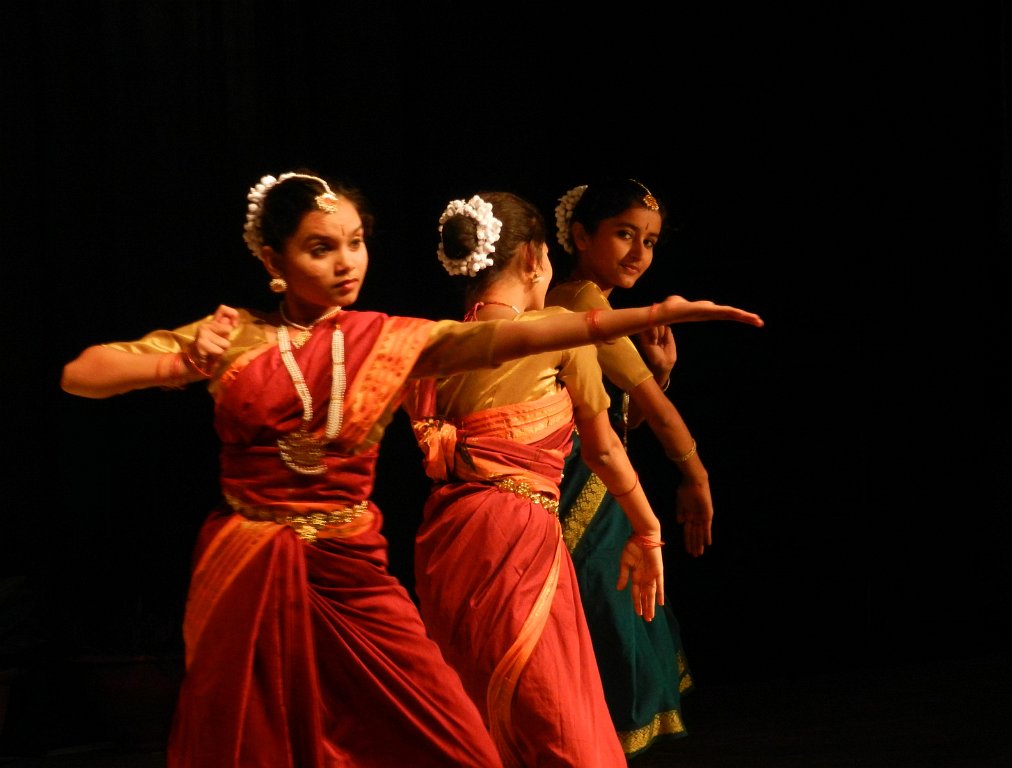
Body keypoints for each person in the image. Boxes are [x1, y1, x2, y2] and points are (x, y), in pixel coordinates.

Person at [59, 170, 763, 768]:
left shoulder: (386, 339)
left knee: (455, 739)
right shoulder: (234, 335)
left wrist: (647, 315)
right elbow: (82, 374)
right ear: (273, 258)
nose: (346, 262)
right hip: (252, 560)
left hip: (354, 568)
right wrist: (178, 363)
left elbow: (518, 337)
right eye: (321, 248)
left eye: (356, 243)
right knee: (256, 737)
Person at [408, 191, 671, 767]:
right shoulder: (558, 329)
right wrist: (648, 530)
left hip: (445, 543)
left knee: (475, 712)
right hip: (515, 538)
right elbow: (604, 449)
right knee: (556, 717)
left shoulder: (431, 342)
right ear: (532, 257)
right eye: (548, 255)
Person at [546, 178, 735, 758]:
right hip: (580, 487)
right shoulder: (582, 301)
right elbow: (654, 410)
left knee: (618, 613)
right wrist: (697, 479)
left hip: (598, 481)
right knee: (611, 617)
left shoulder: (590, 300)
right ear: (581, 236)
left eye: (649, 241)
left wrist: (659, 371)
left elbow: (616, 417)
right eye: (625, 234)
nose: (639, 253)